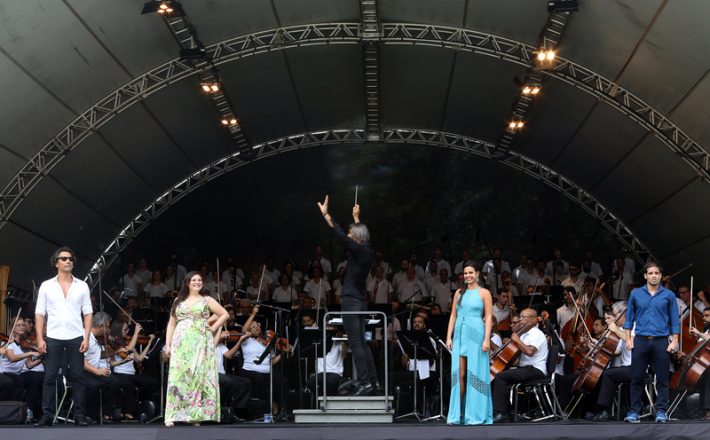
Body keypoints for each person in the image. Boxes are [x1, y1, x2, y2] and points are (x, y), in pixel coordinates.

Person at [317, 195, 377, 396]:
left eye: (352, 235)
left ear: (356, 238)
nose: (349, 237)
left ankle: (365, 382)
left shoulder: (358, 250)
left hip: (352, 300)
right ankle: (373, 382)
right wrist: (357, 217)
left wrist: (326, 214)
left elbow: (339, 234)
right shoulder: (367, 249)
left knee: (355, 342)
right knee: (362, 341)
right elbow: (361, 235)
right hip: (361, 301)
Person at [34, 246, 93, 427]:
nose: (68, 261)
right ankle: (47, 415)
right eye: (64, 258)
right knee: (50, 376)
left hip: (76, 336)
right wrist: (39, 338)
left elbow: (88, 313)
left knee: (78, 376)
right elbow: (39, 314)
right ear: (56, 263)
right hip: (53, 336)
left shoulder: (82, 285)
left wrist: (86, 337)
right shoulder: (46, 285)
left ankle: (79, 415)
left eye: (71, 259)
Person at [164, 271, 229, 426]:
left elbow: (224, 314)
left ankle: (194, 415)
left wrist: (213, 328)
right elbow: (171, 324)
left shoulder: (206, 300)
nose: (197, 282)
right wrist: (168, 344)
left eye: (200, 280)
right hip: (181, 343)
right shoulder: (178, 300)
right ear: (187, 282)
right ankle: (172, 415)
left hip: (200, 342)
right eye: (194, 280)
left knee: (197, 376)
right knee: (178, 376)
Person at [622, 262, 679, 424]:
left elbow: (675, 320)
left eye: (657, 273)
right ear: (645, 275)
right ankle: (634, 411)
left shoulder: (668, 295)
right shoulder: (636, 294)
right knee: (636, 377)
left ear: (661, 276)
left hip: (661, 341)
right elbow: (629, 318)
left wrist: (674, 340)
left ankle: (661, 411)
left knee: (662, 378)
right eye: (651, 273)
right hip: (640, 340)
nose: (654, 276)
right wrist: (628, 339)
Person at [446, 261, 493, 425]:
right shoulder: (459, 292)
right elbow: (453, 315)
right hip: (459, 334)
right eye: (465, 273)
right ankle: (457, 414)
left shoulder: (484, 293)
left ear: (477, 274)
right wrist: (448, 337)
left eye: (471, 272)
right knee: (460, 375)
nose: (468, 276)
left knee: (476, 373)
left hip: (476, 334)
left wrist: (487, 339)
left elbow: (488, 318)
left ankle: (475, 414)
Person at [491, 308, 548, 423]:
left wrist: (517, 340)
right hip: (525, 368)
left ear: (532, 320)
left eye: (523, 317)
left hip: (535, 369)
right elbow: (516, 358)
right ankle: (509, 411)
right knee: (498, 375)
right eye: (520, 316)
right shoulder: (524, 334)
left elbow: (530, 352)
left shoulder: (536, 334)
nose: (520, 319)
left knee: (500, 377)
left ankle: (502, 413)